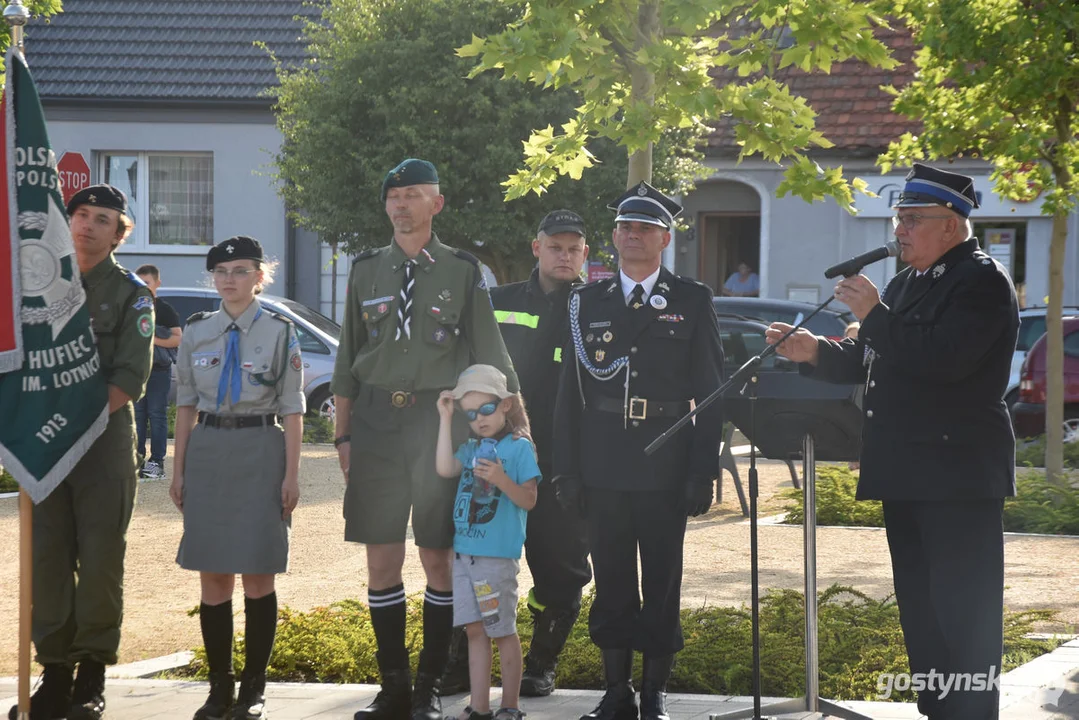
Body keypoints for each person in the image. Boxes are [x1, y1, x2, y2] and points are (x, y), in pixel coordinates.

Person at [765, 163, 1019, 720]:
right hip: (906, 470)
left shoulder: (980, 279)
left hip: (957, 476)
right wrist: (813, 351)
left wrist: (873, 314)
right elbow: (876, 357)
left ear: (950, 225)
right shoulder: (907, 281)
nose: (899, 230)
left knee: (964, 614)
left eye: (912, 219)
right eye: (898, 217)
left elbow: (943, 360)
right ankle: (938, 711)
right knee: (923, 612)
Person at [331, 158, 522, 720]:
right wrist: (342, 435)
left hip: (439, 425)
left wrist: (512, 430)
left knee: (439, 559)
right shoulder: (365, 268)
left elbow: (492, 356)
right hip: (375, 424)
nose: (400, 204)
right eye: (393, 195)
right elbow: (346, 360)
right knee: (381, 558)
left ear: (436, 204)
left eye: (413, 194)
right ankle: (392, 688)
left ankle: (428, 688)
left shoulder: (462, 272)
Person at [553, 182, 725, 720]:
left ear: (665, 239)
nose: (633, 235)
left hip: (666, 465)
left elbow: (712, 393)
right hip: (602, 464)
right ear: (613, 236)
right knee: (611, 580)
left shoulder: (691, 300)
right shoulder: (585, 300)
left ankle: (653, 693)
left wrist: (703, 470)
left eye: (645, 228)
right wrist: (566, 471)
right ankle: (616, 691)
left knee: (662, 580)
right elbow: (568, 396)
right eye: (626, 226)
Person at [9, 185, 154, 720]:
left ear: (119, 234)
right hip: (44, 447)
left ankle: (91, 676)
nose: (89, 225)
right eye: (81, 215)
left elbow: (130, 379)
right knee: (47, 561)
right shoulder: (36, 285)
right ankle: (55, 673)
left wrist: (70, 423)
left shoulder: (133, 294)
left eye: (103, 220)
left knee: (98, 562)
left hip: (101, 446)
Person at [442, 210, 593, 698]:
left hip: (565, 462)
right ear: (537, 247)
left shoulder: (596, 308)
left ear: (585, 254)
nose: (564, 255)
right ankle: (463, 665)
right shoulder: (497, 302)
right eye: (556, 246)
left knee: (560, 565)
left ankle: (541, 664)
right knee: (477, 559)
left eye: (574, 248)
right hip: (493, 457)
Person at [169, 235, 305, 720]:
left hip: (259, 449)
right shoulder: (198, 330)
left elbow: (292, 410)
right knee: (213, 575)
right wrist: (178, 468)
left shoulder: (279, 331)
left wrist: (292, 475)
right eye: (223, 272)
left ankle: (254, 689)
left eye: (242, 271)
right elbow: (185, 405)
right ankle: (218, 688)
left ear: (259, 277)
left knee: (258, 574)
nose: (230, 280)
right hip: (208, 451)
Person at [435, 365, 541, 720]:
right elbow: (444, 469)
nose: (479, 420)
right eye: (471, 414)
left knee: (502, 632)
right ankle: (478, 708)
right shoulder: (472, 447)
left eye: (486, 410)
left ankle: (510, 707)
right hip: (465, 556)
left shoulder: (519, 448)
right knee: (475, 632)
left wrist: (499, 478)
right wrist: (444, 418)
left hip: (496, 559)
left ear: (506, 405)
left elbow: (529, 499)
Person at [133, 264, 182, 480]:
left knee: (157, 415)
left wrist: (151, 339)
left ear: (157, 284)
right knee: (138, 416)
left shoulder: (164, 309)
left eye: (147, 283)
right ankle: (137, 458)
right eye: (138, 283)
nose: (142, 287)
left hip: (159, 371)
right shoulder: (131, 307)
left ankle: (157, 462)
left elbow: (177, 338)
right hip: (136, 370)